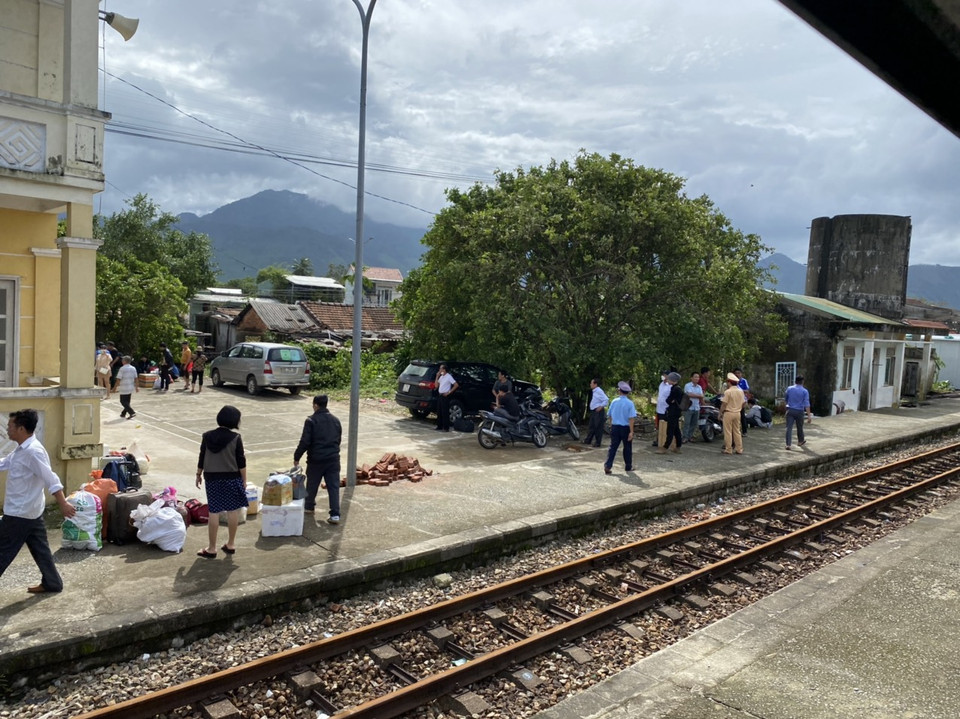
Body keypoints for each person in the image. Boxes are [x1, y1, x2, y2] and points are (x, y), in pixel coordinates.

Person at [0, 409, 77, 594]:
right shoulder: (22, 449)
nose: (7, 429)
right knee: (41, 550)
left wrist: (63, 503)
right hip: (31, 512)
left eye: (10, 426)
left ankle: (51, 582)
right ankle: (52, 583)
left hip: (19, 514)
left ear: (21, 428)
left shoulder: (33, 452)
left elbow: (51, 479)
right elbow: (4, 463)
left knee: (2, 550)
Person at [196, 405, 248, 557]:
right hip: (232, 477)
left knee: (214, 511)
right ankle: (230, 544)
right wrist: (244, 480)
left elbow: (202, 456)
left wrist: (198, 474)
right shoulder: (236, 438)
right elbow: (241, 461)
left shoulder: (207, 436)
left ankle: (212, 548)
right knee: (232, 511)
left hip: (212, 478)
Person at [293, 395, 342, 524]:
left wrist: (297, 456)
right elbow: (338, 440)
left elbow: (305, 441)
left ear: (315, 405)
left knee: (312, 484)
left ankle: (309, 507)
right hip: (333, 459)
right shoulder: (336, 420)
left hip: (316, 459)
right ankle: (335, 514)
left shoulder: (311, 421)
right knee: (333, 487)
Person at [603, 381, 636, 475]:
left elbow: (609, 415)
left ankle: (608, 465)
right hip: (625, 428)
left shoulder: (614, 401)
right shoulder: (630, 403)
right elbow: (631, 418)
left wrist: (611, 424)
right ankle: (628, 466)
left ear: (619, 391)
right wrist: (631, 431)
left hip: (615, 426)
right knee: (627, 448)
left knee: (613, 447)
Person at [720, 372, 746, 455]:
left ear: (729, 382)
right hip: (737, 413)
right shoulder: (740, 391)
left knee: (728, 431)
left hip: (728, 412)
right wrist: (739, 408)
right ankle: (739, 449)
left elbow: (724, 404)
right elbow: (744, 403)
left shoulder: (728, 392)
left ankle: (728, 449)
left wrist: (720, 413)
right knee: (737, 431)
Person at [784, 375, 813, 450]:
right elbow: (807, 404)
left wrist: (787, 406)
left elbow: (786, 398)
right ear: (802, 382)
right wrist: (809, 416)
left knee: (789, 428)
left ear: (795, 381)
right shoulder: (804, 391)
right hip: (800, 411)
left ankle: (788, 444)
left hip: (790, 410)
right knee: (799, 427)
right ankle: (800, 441)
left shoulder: (789, 389)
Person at [660, 372, 684, 453]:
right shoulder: (679, 388)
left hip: (673, 412)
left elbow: (669, 400)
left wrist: (670, 401)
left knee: (670, 430)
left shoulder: (674, 389)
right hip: (677, 411)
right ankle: (678, 446)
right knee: (676, 429)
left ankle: (665, 447)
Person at [582, 378, 609, 448]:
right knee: (592, 426)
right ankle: (588, 440)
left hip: (598, 412)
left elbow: (606, 399)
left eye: (591, 383)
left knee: (598, 427)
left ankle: (597, 442)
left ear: (595, 384)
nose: (590, 384)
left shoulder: (599, 391)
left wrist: (601, 407)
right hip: (594, 411)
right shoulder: (594, 391)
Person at [682, 372, 705, 443]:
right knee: (687, 423)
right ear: (691, 378)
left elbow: (702, 396)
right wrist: (698, 396)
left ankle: (690, 436)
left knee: (694, 423)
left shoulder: (699, 387)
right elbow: (689, 394)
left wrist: (702, 401)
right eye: (695, 377)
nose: (697, 378)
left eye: (698, 377)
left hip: (696, 407)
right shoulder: (687, 385)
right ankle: (685, 437)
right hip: (689, 407)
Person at [435, 364, 459, 432]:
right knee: (439, 411)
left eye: (441, 369)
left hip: (445, 395)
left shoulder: (449, 377)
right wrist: (437, 376)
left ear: (444, 370)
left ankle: (446, 427)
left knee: (445, 411)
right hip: (440, 395)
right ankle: (439, 425)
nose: (440, 370)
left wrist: (449, 392)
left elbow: (456, 385)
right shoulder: (441, 377)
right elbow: (436, 385)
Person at [654, 371, 671, 448]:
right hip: (659, 408)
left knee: (665, 425)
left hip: (666, 409)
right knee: (658, 425)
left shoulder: (670, 386)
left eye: (665, 375)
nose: (663, 376)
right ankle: (658, 440)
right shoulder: (661, 384)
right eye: (663, 375)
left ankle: (664, 441)